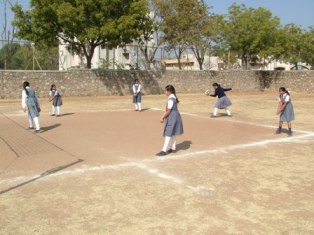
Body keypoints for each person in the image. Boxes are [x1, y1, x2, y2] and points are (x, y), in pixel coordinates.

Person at [156, 85, 184, 157]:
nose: (164, 92)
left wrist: (162, 117)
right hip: (175, 116)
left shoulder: (171, 99)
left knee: (168, 133)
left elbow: (168, 111)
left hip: (172, 117)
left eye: (165, 91)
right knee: (173, 132)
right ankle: (173, 148)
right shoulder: (173, 97)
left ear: (169, 91)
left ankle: (164, 150)